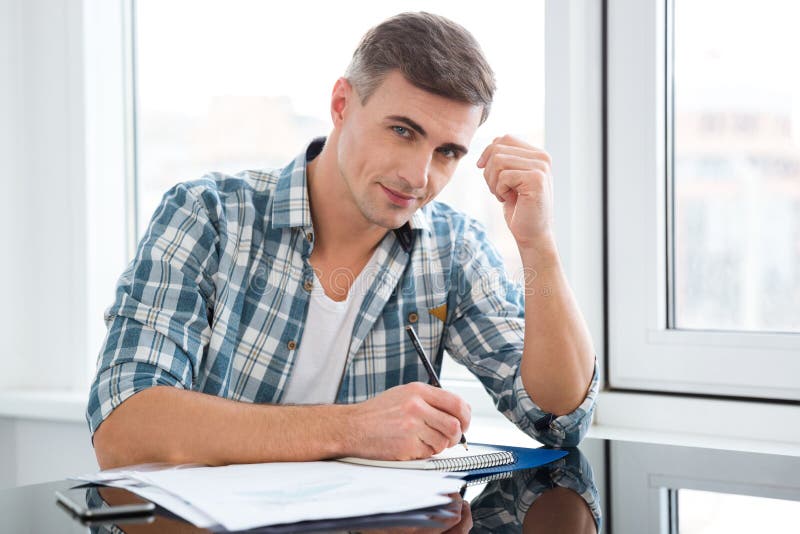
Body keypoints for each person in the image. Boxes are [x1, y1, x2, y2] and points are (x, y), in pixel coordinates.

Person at [87, 11, 598, 469]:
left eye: (447, 152)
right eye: (402, 130)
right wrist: (355, 428)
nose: (418, 176)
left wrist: (539, 246)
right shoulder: (209, 217)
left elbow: (556, 419)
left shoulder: (453, 251)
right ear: (341, 104)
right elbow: (124, 425)